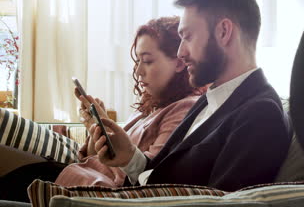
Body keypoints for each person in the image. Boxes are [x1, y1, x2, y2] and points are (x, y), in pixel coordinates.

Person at [90, 0, 291, 191]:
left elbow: (221, 202)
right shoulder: (209, 100)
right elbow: (164, 176)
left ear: (224, 32)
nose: (180, 52)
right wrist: (129, 157)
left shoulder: (260, 114)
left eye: (188, 37)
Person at [0, 16, 205, 201]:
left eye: (148, 61)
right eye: (138, 61)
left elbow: (152, 179)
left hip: (87, 188)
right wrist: (95, 127)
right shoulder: (148, 107)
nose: (139, 71)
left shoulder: (184, 109)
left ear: (179, 63)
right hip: (78, 174)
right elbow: (93, 158)